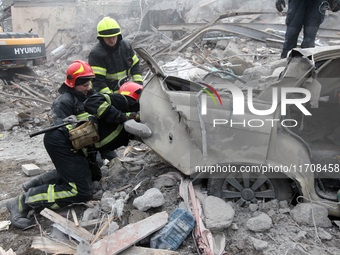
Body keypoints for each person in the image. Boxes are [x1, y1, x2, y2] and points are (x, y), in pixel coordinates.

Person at [7, 61, 142, 229]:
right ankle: (23, 201)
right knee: (80, 191)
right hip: (62, 142)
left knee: (93, 176)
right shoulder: (64, 101)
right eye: (84, 84)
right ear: (72, 84)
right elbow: (64, 129)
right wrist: (122, 117)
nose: (88, 87)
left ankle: (37, 185)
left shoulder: (91, 95)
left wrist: (110, 157)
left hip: (82, 147)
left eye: (89, 83)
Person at [88, 17, 143, 94]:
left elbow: (135, 65)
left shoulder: (126, 46)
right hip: (105, 93)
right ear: (101, 37)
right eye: (108, 37)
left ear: (118, 35)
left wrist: (138, 84)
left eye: (114, 36)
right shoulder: (96, 54)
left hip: (124, 90)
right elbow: (98, 82)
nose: (111, 39)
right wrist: (112, 98)